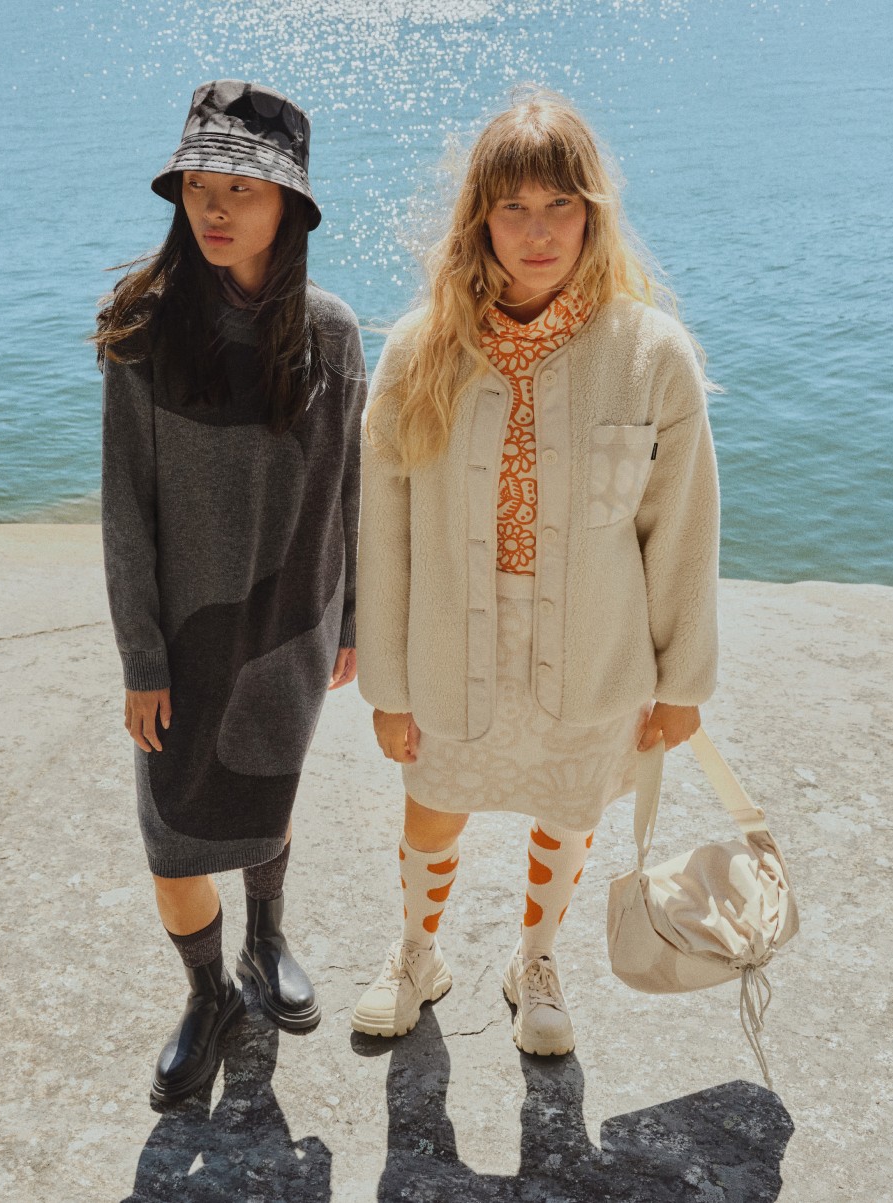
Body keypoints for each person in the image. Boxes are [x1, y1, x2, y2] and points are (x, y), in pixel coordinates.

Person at [352, 89, 720, 1056]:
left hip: (596, 639)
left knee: (565, 808)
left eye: (561, 204)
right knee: (434, 807)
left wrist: (682, 681)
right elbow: (383, 531)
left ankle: (537, 957)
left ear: (593, 212)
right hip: (449, 638)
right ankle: (417, 949)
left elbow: (679, 528)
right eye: (512, 207)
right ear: (479, 218)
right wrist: (387, 686)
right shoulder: (417, 350)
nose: (539, 231)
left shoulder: (651, 354)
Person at [95, 80, 366, 1105]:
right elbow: (125, 508)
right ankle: (207, 994)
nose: (214, 208)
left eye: (241, 190)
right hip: (182, 633)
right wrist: (142, 657)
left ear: (290, 203)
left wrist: (355, 620)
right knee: (172, 838)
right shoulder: (143, 327)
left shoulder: (331, 333)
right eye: (199, 186)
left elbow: (351, 488)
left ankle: (266, 939)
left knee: (265, 796)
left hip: (291, 623)